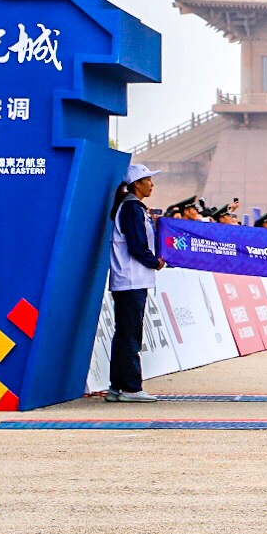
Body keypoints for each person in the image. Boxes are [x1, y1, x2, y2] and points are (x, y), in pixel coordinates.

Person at [107, 163, 168, 403]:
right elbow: (136, 246)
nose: (152, 184)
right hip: (131, 279)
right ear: (136, 184)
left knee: (124, 333)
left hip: (130, 280)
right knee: (130, 334)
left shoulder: (133, 208)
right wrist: (155, 262)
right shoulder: (132, 208)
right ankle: (131, 387)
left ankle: (117, 386)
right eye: (148, 180)